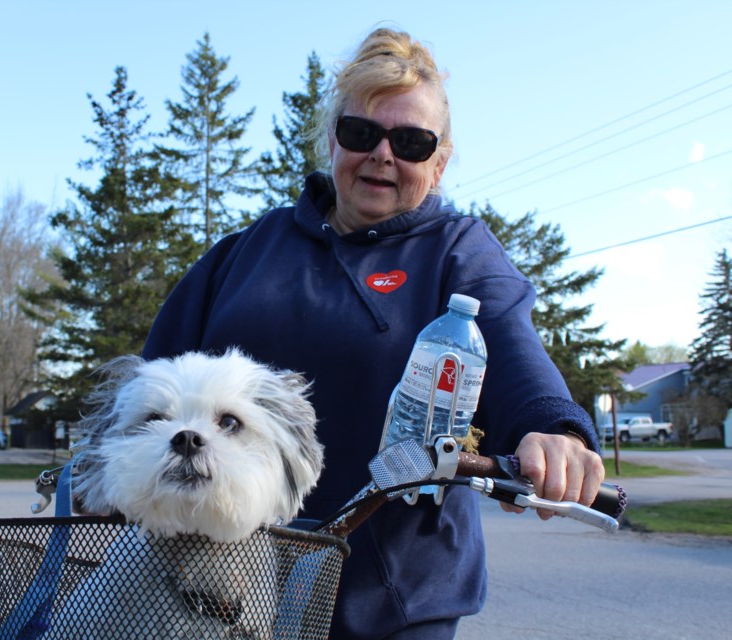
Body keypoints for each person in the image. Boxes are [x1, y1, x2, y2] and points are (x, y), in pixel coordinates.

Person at [142, 27, 605, 640]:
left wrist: (553, 426)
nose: (384, 154)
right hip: (211, 591)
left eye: (412, 142)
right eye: (363, 133)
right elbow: (153, 382)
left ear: (437, 165)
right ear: (332, 141)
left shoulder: (458, 251)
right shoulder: (245, 252)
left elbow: (509, 340)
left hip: (392, 595)